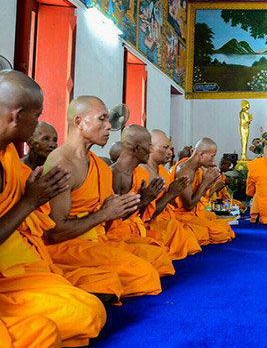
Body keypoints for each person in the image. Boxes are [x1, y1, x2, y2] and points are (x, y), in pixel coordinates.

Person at [0, 71, 105, 347]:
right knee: (44, 333)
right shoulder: (59, 161)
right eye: (36, 116)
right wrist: (30, 202)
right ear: (17, 116)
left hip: (19, 266)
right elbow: (54, 229)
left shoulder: (8, 156)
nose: (39, 125)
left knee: (88, 312)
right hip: (9, 269)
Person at [43, 96, 162, 298]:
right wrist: (104, 214)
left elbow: (108, 219)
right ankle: (69, 281)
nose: (109, 126)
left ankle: (92, 281)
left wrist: (134, 204)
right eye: (102, 119)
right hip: (66, 246)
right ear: (79, 122)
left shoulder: (99, 166)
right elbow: (54, 234)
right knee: (144, 274)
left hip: (97, 240)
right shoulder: (62, 164)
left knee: (157, 258)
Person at [106, 125, 175, 276]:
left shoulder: (137, 173)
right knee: (154, 263)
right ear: (137, 148)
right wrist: (144, 201)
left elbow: (140, 215)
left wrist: (145, 200)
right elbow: (109, 219)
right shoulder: (114, 174)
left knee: (160, 252)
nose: (150, 151)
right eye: (148, 146)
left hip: (135, 230)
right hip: (114, 236)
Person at [136, 130, 202, 258]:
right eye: (165, 148)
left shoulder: (162, 171)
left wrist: (175, 192)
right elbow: (144, 215)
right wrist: (171, 194)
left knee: (195, 235)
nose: (170, 153)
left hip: (167, 221)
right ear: (150, 148)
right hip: (147, 226)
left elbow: (170, 205)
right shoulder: (141, 173)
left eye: (170, 148)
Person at [170, 138, 236, 242]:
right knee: (220, 232)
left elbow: (201, 196)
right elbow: (188, 206)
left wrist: (210, 184)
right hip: (180, 214)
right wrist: (205, 183)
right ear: (201, 155)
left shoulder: (198, 170)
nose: (214, 160)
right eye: (212, 156)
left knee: (223, 226)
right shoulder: (184, 171)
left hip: (193, 213)